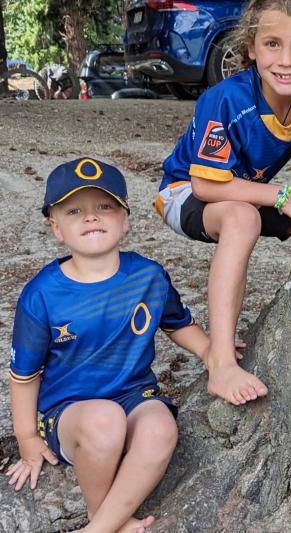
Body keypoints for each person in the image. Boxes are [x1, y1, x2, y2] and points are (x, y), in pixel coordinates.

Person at [7, 158, 222, 533]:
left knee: (160, 429)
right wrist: (27, 438)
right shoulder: (42, 294)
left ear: (125, 219)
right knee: (105, 421)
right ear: (56, 228)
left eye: (104, 206)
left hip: (133, 395)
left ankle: (100, 527)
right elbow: (25, 375)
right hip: (72, 412)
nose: (92, 217)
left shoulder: (147, 276)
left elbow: (178, 324)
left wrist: (209, 351)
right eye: (75, 210)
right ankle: (101, 516)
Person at [155, 0, 291, 406]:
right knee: (243, 218)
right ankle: (220, 359)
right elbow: (204, 183)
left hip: (250, 193)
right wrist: (278, 195)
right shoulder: (226, 98)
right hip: (187, 192)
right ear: (252, 47)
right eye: (272, 44)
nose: (286, 60)